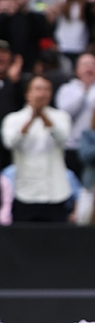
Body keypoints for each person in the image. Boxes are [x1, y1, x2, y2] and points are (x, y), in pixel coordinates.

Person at [1, 76, 72, 222]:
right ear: (28, 94)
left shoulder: (61, 116)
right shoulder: (13, 119)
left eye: (46, 89)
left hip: (56, 192)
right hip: (26, 193)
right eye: (38, 89)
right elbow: (10, 143)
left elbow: (63, 138)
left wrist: (43, 116)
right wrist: (32, 118)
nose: (42, 94)